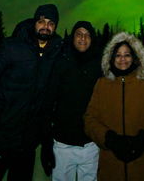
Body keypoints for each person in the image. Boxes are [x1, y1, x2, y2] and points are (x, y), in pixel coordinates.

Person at [0, 4, 63, 181]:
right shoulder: (12, 47)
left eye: (51, 23)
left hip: (27, 145)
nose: (46, 26)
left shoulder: (55, 54)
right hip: (0, 139)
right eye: (42, 21)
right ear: (34, 23)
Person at [84, 32, 144, 181]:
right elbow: (90, 119)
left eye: (127, 55)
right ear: (111, 59)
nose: (122, 59)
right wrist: (109, 139)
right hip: (111, 168)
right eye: (118, 55)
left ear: (134, 57)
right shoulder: (102, 83)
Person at [41, 21, 104, 180]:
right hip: (63, 145)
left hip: (90, 145)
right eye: (79, 33)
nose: (83, 38)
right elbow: (48, 102)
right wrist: (46, 144)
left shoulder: (99, 65)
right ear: (73, 37)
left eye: (88, 34)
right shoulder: (61, 62)